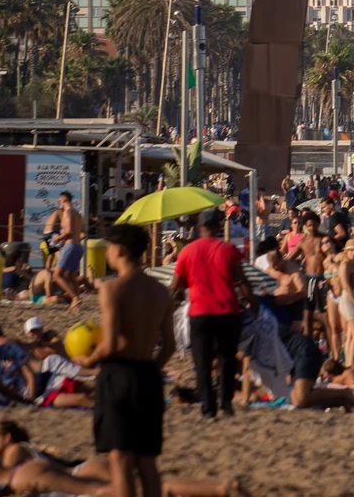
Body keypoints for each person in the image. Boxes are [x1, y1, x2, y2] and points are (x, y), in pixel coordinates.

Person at [84, 222, 174, 497]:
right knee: (147, 461)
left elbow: (110, 343)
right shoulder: (160, 291)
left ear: (120, 250)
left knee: (120, 458)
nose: (107, 253)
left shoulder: (113, 289)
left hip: (119, 374)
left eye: (109, 247)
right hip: (148, 375)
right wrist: (150, 369)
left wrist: (87, 361)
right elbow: (169, 345)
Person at [168, 208, 252, 421]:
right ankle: (226, 401)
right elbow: (241, 280)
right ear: (218, 227)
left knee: (202, 362)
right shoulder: (229, 249)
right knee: (227, 358)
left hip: (200, 312)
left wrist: (168, 308)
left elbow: (176, 287)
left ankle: (208, 408)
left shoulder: (187, 251)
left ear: (199, 228)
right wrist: (254, 303)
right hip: (227, 311)